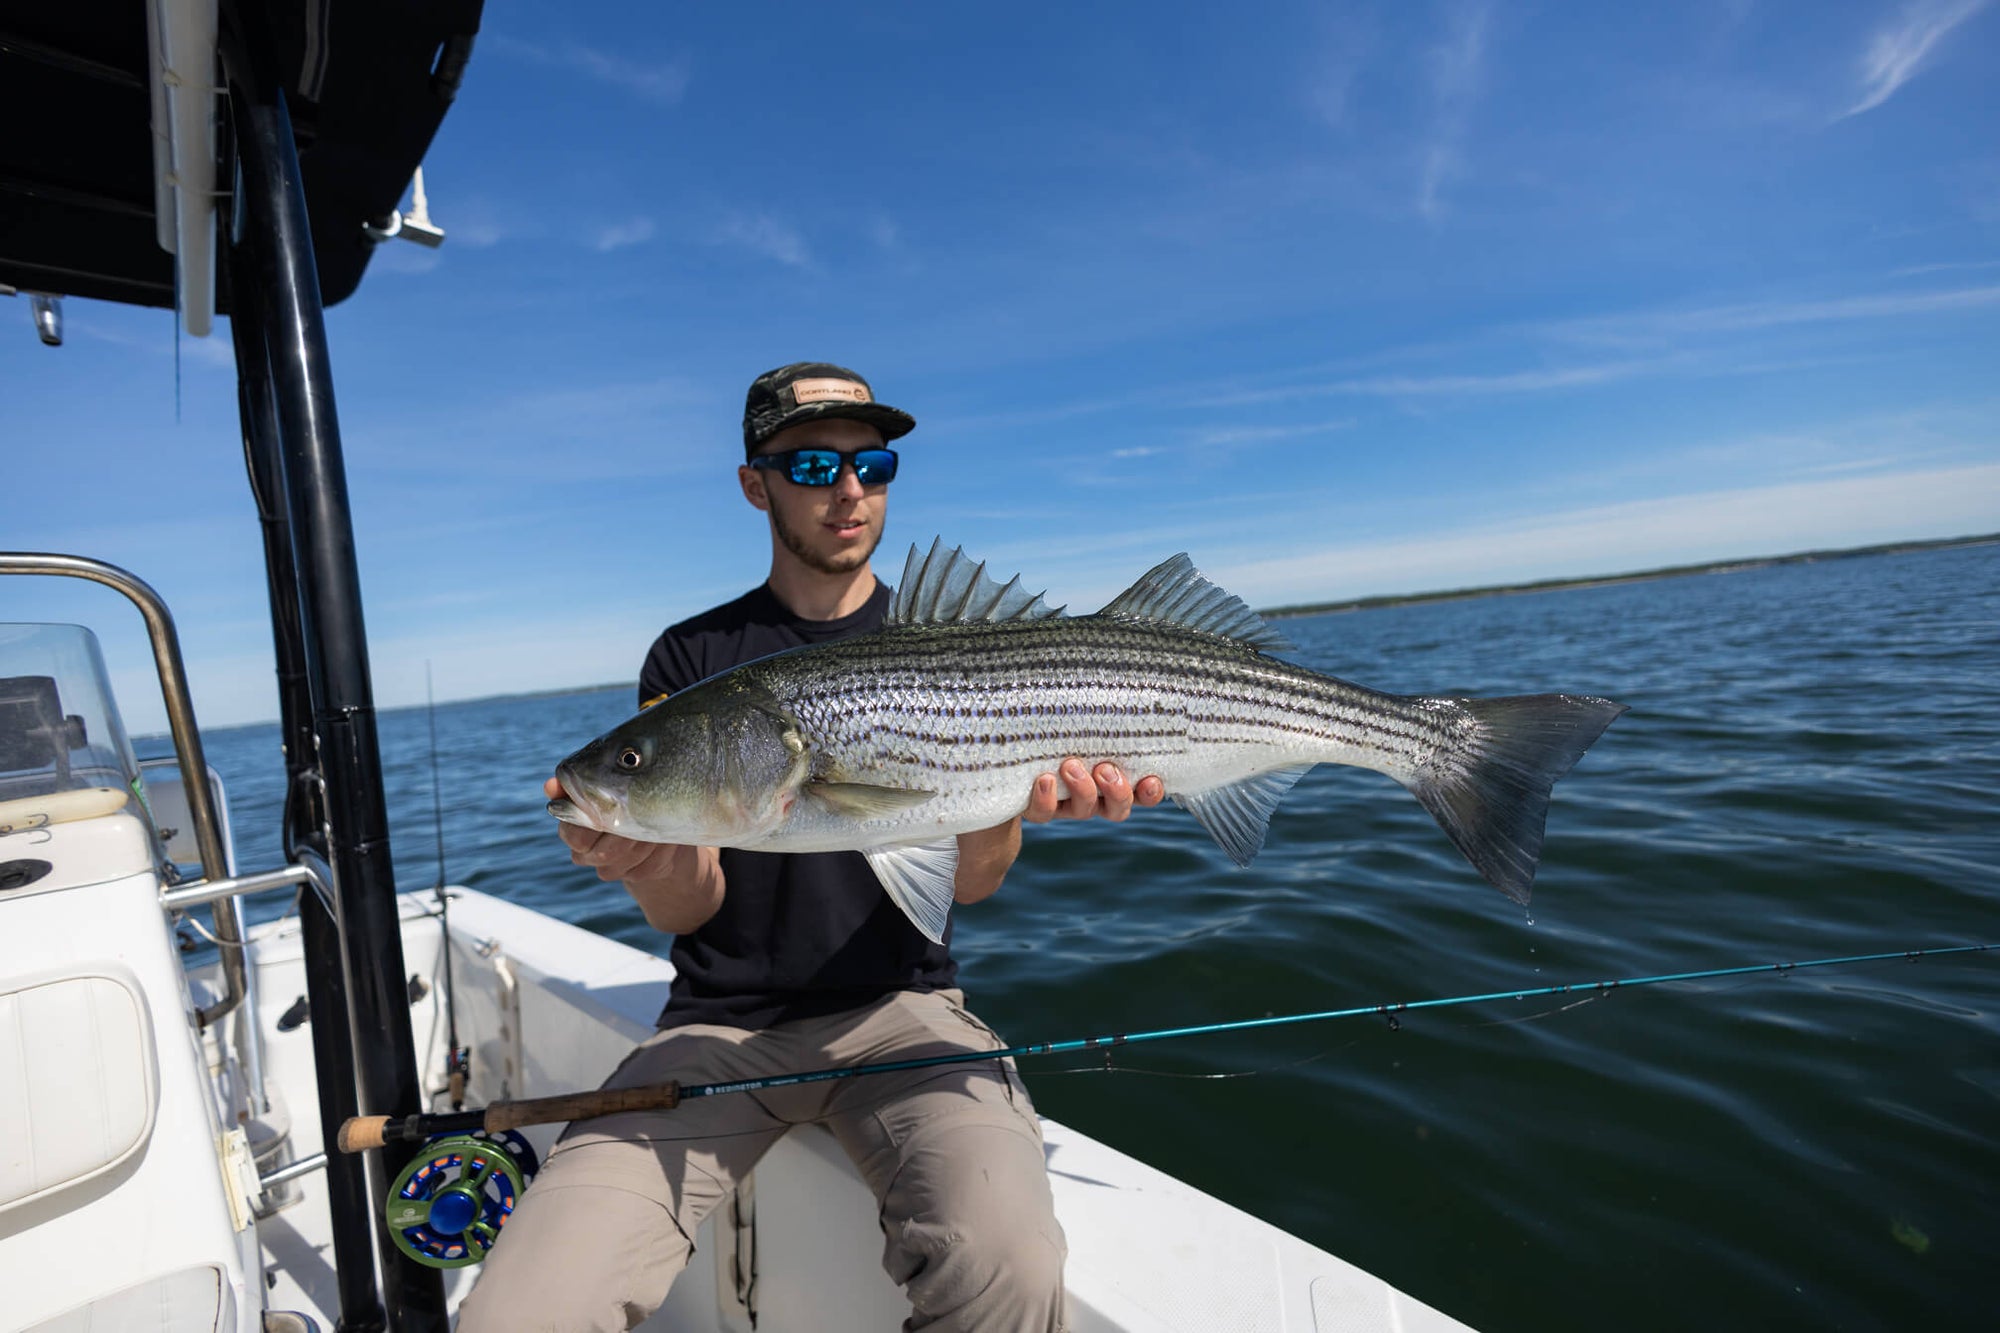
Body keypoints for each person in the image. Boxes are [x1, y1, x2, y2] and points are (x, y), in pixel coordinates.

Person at [458, 362, 1163, 1333]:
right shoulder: (692, 658)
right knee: (515, 1314)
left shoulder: (951, 637)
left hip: (907, 1017)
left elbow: (975, 879)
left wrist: (1005, 793)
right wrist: (646, 853)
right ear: (755, 483)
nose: (847, 489)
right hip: (717, 1028)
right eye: (813, 464)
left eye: (873, 463)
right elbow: (689, 906)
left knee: (1007, 1264)